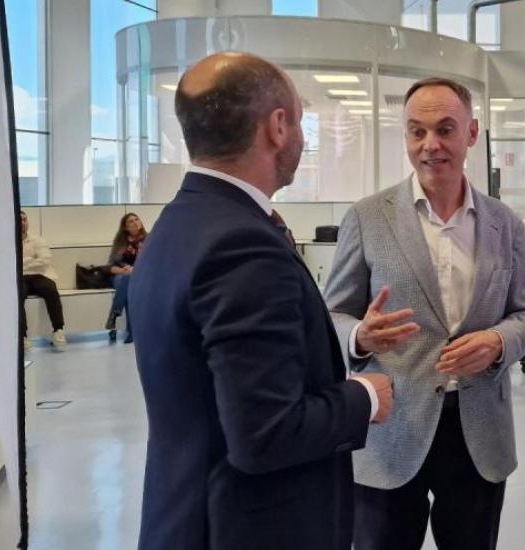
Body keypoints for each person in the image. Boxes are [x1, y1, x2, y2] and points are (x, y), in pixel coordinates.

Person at [129, 51, 392, 550]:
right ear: (276, 127)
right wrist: (368, 395)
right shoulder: (242, 247)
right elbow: (267, 433)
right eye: (299, 121)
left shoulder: (180, 223)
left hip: (186, 512)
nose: (303, 137)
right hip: (248, 527)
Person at [324, 77, 525, 550]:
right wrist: (360, 335)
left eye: (445, 129)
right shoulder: (367, 217)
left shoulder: (505, 224)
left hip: (478, 432)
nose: (430, 145)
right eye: (416, 132)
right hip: (391, 428)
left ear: (472, 133)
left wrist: (499, 342)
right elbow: (331, 315)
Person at [19, 210, 66, 352]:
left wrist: (23, 262)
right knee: (17, 294)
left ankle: (58, 330)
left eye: (25, 220)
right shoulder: (8, 242)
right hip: (20, 277)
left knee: (51, 289)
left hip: (40, 275)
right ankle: (23, 335)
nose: (23, 223)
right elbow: (8, 263)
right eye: (19, 220)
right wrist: (31, 259)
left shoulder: (39, 240)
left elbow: (44, 261)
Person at [105, 212, 147, 343]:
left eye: (137, 219)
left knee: (130, 287)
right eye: (131, 221)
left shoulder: (149, 239)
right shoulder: (120, 242)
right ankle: (131, 331)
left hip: (141, 276)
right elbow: (110, 266)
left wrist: (136, 270)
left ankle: (115, 314)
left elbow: (154, 261)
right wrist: (124, 271)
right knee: (127, 281)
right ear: (125, 227)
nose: (135, 222)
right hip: (120, 276)